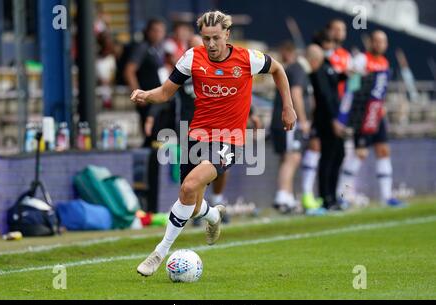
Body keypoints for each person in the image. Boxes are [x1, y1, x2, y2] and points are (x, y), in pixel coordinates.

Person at [131, 10, 296, 277]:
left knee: (190, 185)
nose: (210, 44)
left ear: (227, 35)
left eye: (216, 38)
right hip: (196, 137)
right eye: (206, 38)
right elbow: (164, 93)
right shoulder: (192, 57)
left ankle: (159, 253)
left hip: (229, 140)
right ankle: (212, 215)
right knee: (191, 202)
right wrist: (145, 95)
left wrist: (287, 107)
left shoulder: (247, 58)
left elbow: (278, 68)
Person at [337, 30, 405, 207]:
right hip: (362, 114)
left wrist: (382, 106)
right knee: (360, 154)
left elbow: (381, 90)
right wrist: (349, 113)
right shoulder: (361, 60)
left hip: (377, 114)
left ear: (386, 44)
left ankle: (386, 196)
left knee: (383, 150)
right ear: (370, 43)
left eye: (382, 41)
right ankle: (342, 195)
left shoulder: (384, 62)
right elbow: (352, 86)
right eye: (376, 41)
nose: (379, 44)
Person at [271, 42, 321, 213]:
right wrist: (304, 120)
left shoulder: (297, 69)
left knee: (288, 157)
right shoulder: (299, 69)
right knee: (293, 157)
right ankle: (283, 196)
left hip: (285, 121)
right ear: (315, 60)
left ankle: (287, 196)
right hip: (290, 122)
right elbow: (297, 94)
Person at [309, 30, 347, 210]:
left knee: (338, 154)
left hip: (335, 115)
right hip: (326, 118)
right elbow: (324, 95)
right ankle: (326, 198)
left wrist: (345, 75)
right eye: (328, 42)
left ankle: (333, 195)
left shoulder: (329, 65)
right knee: (329, 156)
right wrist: (334, 119)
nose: (332, 46)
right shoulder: (319, 68)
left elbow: (333, 86)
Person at [124, 18, 172, 147]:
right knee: (151, 134)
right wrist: (138, 95)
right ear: (148, 31)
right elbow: (129, 70)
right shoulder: (142, 47)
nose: (158, 34)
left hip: (158, 97)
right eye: (155, 30)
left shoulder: (157, 49)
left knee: (158, 134)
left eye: (161, 31)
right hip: (148, 98)